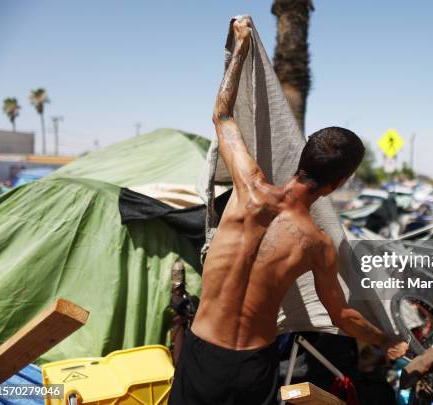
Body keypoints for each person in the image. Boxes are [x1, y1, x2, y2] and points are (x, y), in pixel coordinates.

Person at [169, 17, 407, 405]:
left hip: (202, 353)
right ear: (338, 184)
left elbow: (222, 116)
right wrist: (387, 340)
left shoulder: (248, 188)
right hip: (252, 365)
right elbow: (342, 316)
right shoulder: (318, 245)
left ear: (301, 158)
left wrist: (241, 49)